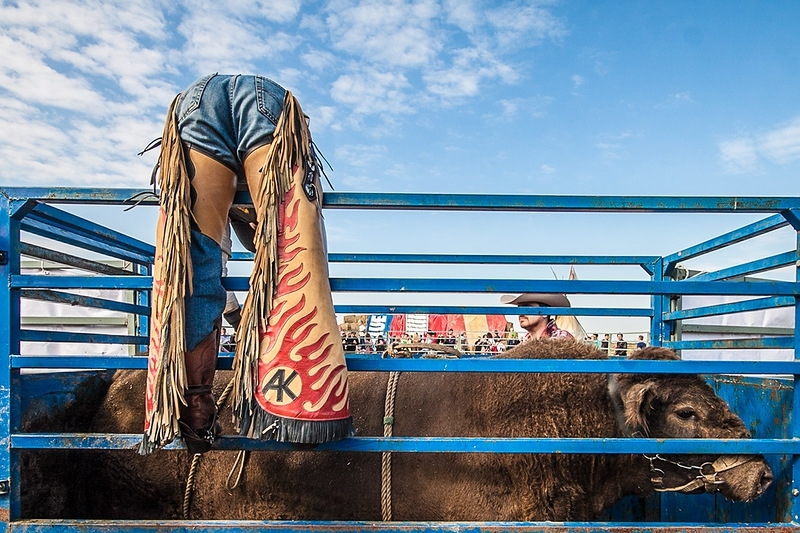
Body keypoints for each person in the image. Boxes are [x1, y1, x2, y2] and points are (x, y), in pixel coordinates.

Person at [143, 73, 354, 455]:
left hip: (194, 102)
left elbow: (210, 273)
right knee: (292, 252)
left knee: (191, 263)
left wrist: (236, 317)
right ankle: (296, 410)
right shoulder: (252, 224)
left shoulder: (229, 225)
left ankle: (196, 408)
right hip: (269, 104)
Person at [500, 293, 574, 341]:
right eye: (519, 308)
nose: (521, 313)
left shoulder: (562, 338)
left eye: (527, 308)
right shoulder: (525, 341)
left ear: (545, 312)